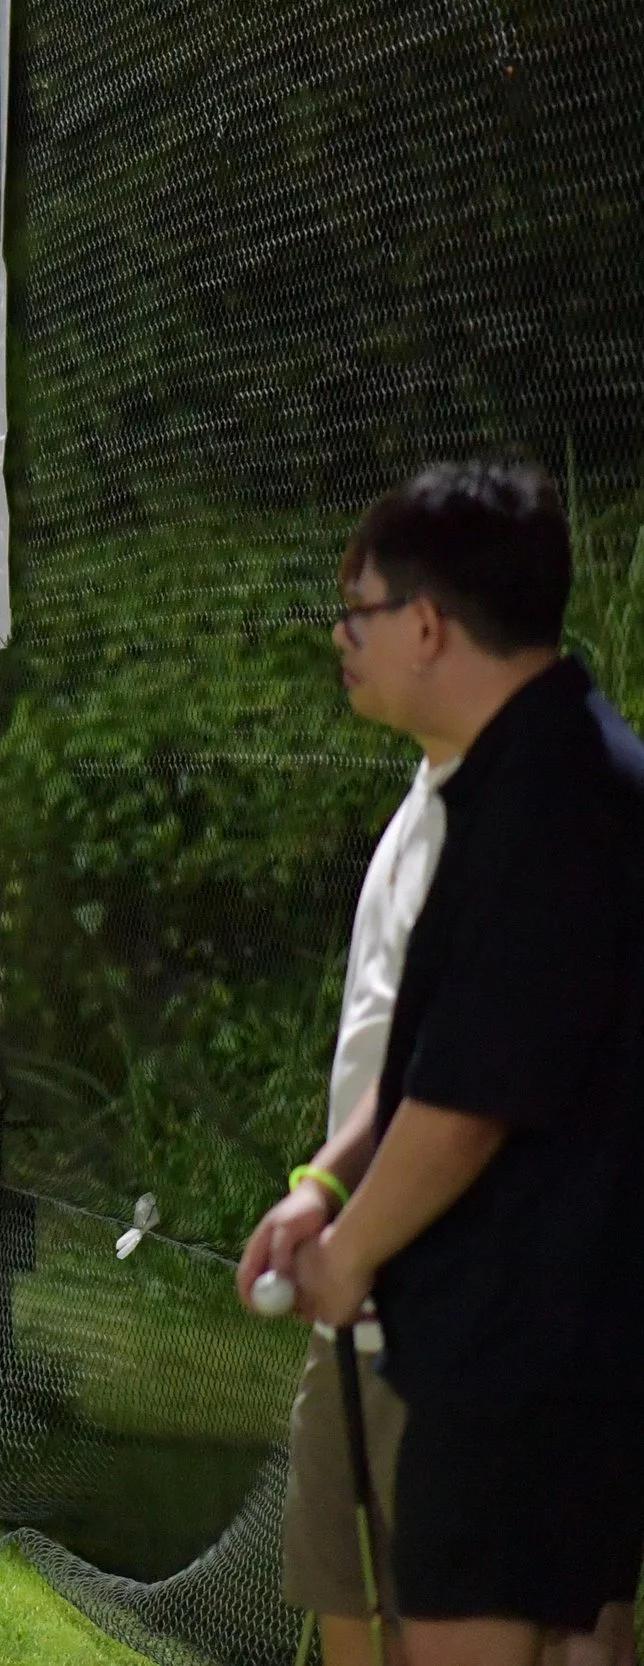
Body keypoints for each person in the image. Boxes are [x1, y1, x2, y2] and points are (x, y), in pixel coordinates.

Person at [238, 460, 644, 1666]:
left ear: (425, 624)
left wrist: (349, 1252)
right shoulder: (511, 778)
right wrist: (320, 1189)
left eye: (355, 609)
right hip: (508, 1345)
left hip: (532, 1352)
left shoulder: (559, 803)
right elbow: (430, 1055)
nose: (339, 638)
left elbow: (471, 1103)